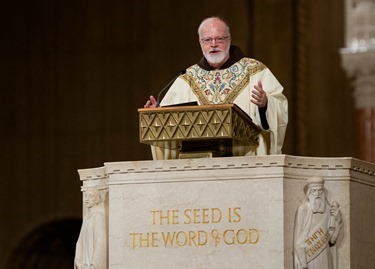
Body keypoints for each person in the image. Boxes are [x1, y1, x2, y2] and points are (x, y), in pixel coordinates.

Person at [144, 16, 288, 159]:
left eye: (220, 39)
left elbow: (280, 107)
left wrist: (265, 105)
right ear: (200, 43)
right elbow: (169, 127)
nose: (213, 44)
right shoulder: (186, 78)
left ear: (229, 40)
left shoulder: (255, 71)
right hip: (199, 169)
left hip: (245, 164)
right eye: (207, 40)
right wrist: (156, 116)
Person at [293, 177, 342, 269]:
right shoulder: (303, 209)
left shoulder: (328, 209)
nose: (318, 194)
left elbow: (332, 240)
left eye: (320, 191)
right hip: (309, 256)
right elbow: (298, 239)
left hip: (325, 254)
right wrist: (303, 262)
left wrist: (338, 221)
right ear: (309, 193)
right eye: (314, 191)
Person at [75, 188, 107, 269]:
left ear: (97, 200)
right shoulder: (87, 218)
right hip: (84, 264)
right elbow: (80, 241)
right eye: (86, 196)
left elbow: (100, 241)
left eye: (91, 196)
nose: (87, 199)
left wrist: (94, 264)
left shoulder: (98, 216)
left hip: (91, 264)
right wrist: (78, 259)